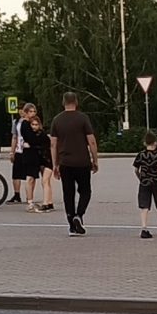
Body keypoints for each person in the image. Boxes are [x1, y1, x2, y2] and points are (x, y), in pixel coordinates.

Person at [48, 90, 98, 234]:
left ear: (63, 102)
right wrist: (95, 160)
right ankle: (79, 215)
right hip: (82, 162)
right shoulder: (83, 118)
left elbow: (53, 144)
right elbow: (92, 141)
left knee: (68, 194)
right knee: (85, 191)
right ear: (76, 102)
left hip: (65, 163)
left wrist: (55, 164)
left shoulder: (57, 120)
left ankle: (71, 225)